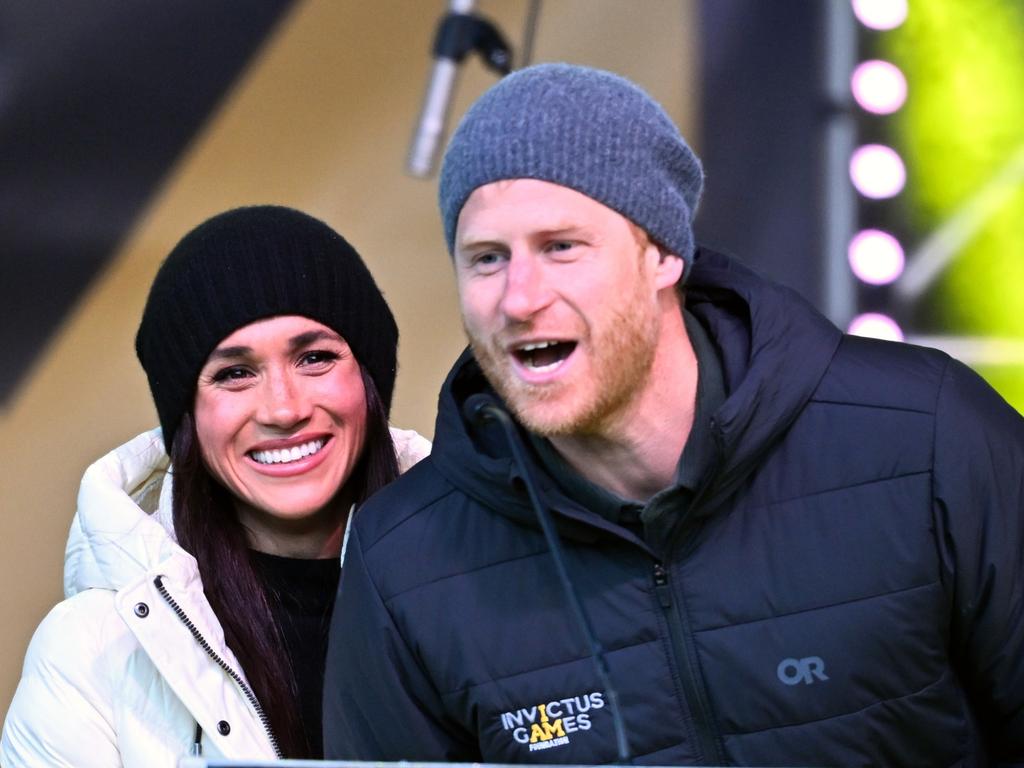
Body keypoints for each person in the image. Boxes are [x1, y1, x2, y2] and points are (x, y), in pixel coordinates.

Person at [323, 63, 1024, 766]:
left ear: (663, 255)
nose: (518, 298)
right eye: (485, 259)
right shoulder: (403, 560)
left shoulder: (926, 432)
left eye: (560, 247)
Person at [1, 205, 430, 766]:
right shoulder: (91, 652)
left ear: (370, 384)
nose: (283, 408)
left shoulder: (496, 586)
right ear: (188, 419)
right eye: (234, 373)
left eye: (315, 358)